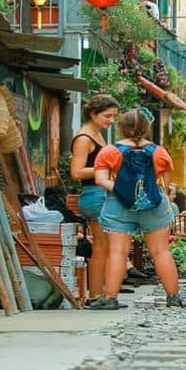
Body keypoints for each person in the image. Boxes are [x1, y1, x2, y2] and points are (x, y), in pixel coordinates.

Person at [90, 108, 186, 309]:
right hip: (153, 204)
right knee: (161, 251)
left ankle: (110, 298)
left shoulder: (109, 151)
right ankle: (173, 298)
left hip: (119, 205)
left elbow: (100, 180)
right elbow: (165, 183)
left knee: (117, 252)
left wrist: (123, 190)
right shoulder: (159, 152)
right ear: (146, 127)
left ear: (122, 127)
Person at [70, 94, 119, 308]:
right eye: (107, 116)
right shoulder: (84, 139)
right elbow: (76, 172)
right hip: (94, 194)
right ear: (93, 114)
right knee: (102, 246)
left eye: (113, 116)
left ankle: (99, 295)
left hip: (100, 193)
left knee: (104, 246)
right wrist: (107, 169)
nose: (111, 120)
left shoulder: (97, 135)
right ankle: (96, 296)